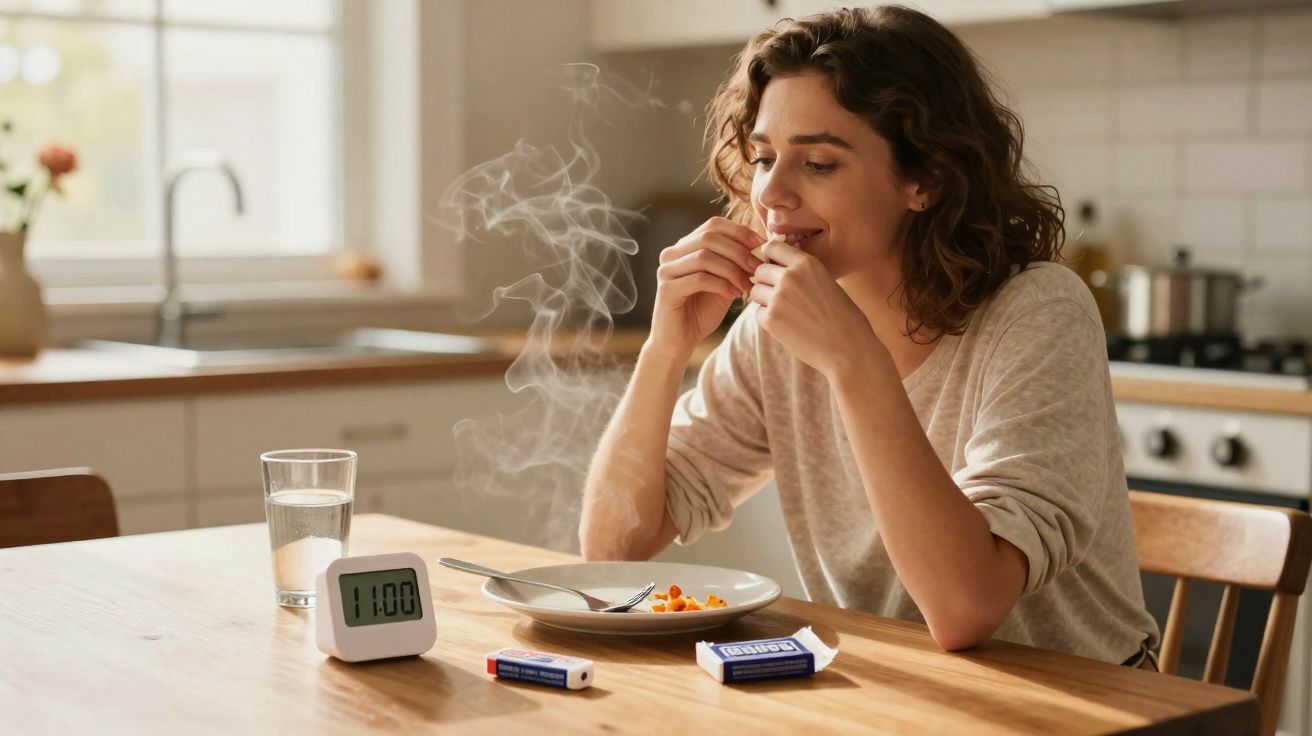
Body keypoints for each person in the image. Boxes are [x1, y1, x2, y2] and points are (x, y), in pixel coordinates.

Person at [579, 4, 1159, 666]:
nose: (771, 194)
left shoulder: (1038, 313)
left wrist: (853, 361)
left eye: (819, 163)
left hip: (1087, 700)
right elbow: (612, 553)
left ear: (926, 177)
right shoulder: (772, 332)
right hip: (900, 690)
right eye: (764, 157)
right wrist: (665, 349)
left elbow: (965, 608)